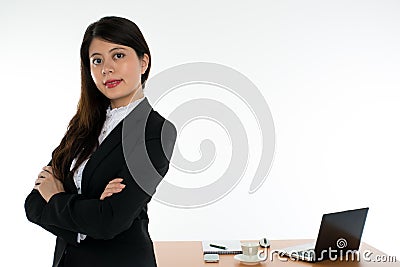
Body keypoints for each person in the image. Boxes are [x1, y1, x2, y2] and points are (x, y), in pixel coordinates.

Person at [24, 16, 177, 267]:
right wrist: (91, 209)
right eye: (97, 60)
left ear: (143, 62)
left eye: (118, 55)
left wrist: (56, 198)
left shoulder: (156, 132)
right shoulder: (83, 124)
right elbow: (33, 204)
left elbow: (109, 223)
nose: (107, 68)